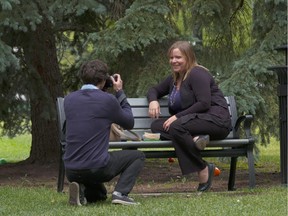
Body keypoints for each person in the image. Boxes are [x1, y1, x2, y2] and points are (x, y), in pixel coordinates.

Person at [147, 41, 231, 192]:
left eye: (178, 57)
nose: (174, 61)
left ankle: (203, 169)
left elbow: (204, 103)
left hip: (216, 120)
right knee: (157, 126)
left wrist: (177, 117)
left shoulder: (197, 73)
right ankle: (195, 138)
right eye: (171, 57)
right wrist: (153, 100)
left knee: (176, 127)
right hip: (193, 121)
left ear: (188, 57)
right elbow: (154, 90)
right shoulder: (174, 79)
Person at [63, 59, 145, 206]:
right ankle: (120, 194)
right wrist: (119, 91)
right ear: (103, 79)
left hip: (71, 170)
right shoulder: (107, 100)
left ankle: (81, 190)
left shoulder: (69, 99)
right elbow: (129, 123)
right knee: (137, 156)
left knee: (100, 195)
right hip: (96, 167)